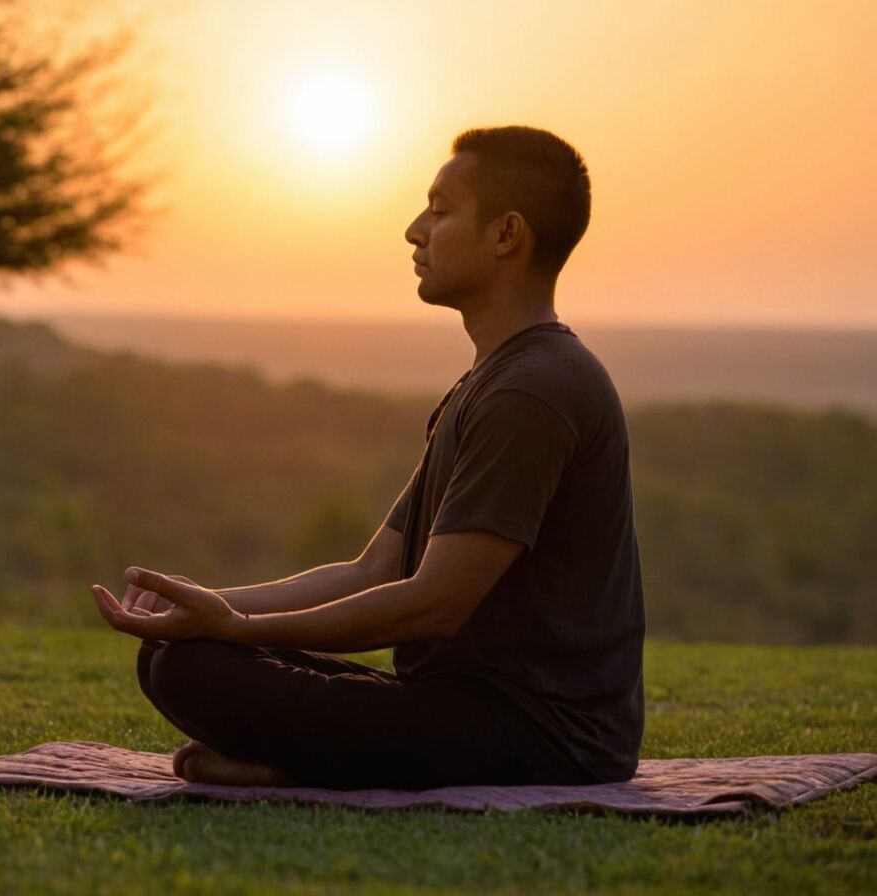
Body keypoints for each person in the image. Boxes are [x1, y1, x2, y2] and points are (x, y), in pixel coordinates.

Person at [93, 125, 645, 790]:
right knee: (175, 652)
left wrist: (239, 628)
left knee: (196, 669)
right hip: (456, 709)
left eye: (440, 212)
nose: (416, 230)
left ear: (506, 235)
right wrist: (213, 609)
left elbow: (434, 605)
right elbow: (376, 567)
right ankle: (303, 760)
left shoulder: (534, 390)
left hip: (543, 737)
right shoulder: (490, 381)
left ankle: (299, 766)